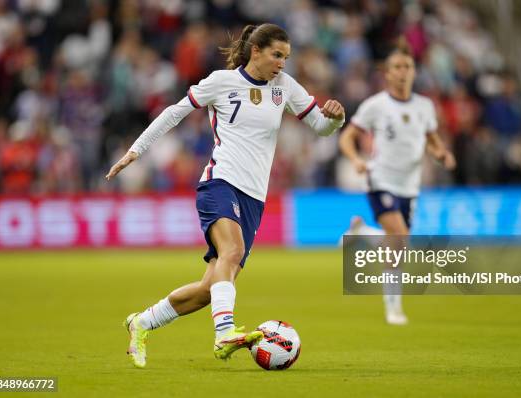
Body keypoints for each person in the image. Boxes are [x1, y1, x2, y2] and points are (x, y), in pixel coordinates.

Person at [106, 23, 345, 368]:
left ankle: (140, 323)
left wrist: (335, 120)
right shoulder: (223, 82)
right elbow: (174, 113)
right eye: (277, 55)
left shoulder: (285, 88)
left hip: (253, 199)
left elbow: (321, 127)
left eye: (286, 57)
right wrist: (135, 151)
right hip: (220, 182)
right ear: (256, 51)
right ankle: (224, 333)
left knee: (209, 289)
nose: (282, 63)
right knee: (231, 252)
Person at [339, 45, 455, 325]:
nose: (403, 73)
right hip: (380, 180)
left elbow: (432, 139)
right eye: (397, 67)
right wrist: (355, 159)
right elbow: (347, 137)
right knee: (399, 237)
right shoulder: (375, 105)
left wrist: (441, 153)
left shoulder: (425, 107)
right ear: (387, 74)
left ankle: (363, 234)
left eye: (408, 67)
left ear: (414, 72)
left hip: (410, 186)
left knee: (397, 248)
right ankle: (393, 310)